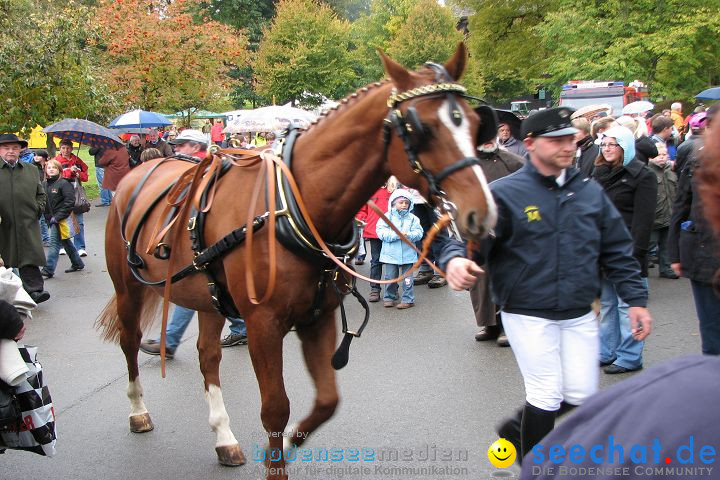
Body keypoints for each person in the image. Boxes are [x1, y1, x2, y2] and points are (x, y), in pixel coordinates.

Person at [436, 108, 652, 463]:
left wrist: (636, 300)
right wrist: (455, 260)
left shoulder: (588, 191)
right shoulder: (503, 193)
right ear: (532, 144)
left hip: (579, 310)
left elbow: (617, 248)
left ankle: (516, 428)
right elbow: (462, 236)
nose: (567, 146)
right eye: (556, 140)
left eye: (570, 138)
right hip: (527, 310)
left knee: (581, 393)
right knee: (547, 395)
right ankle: (536, 467)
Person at [139, 129, 247, 356]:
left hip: (206, 243)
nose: (176, 148)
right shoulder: (203, 170)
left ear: (195, 147)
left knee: (193, 289)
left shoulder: (199, 173)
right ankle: (239, 326)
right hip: (211, 243)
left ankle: (169, 340)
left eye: (182, 145)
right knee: (207, 289)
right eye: (177, 145)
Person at [592, 125, 657, 374]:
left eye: (613, 144)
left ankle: (629, 356)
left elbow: (644, 221)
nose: (607, 149)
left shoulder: (643, 176)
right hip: (603, 250)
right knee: (607, 304)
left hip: (628, 251)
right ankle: (607, 350)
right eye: (605, 145)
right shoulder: (600, 173)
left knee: (626, 305)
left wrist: (635, 254)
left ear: (625, 147)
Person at [668, 103, 720, 356]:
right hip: (703, 256)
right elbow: (681, 206)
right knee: (712, 334)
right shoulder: (697, 161)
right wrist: (674, 254)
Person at [471, 138, 524, 346]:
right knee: (481, 281)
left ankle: (507, 327)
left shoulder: (514, 162)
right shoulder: (467, 162)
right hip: (478, 227)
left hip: (507, 228)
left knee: (506, 278)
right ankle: (489, 324)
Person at [0, 134, 50, 304]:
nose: (11, 151)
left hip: (27, 222)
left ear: (20, 150)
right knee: (5, 260)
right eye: (6, 148)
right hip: (3, 224)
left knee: (28, 256)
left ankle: (35, 291)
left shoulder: (31, 169)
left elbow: (41, 193)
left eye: (14, 148)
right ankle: (8, 296)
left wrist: (38, 208)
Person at [376, 188, 423, 309]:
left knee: (408, 279)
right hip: (390, 255)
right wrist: (397, 235)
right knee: (390, 277)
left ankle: (408, 299)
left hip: (408, 255)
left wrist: (409, 235)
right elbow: (381, 233)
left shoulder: (413, 219)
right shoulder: (386, 217)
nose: (404, 205)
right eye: (400, 202)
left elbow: (419, 233)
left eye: (406, 203)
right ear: (393, 203)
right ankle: (389, 297)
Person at [40, 160, 85, 278]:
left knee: (54, 243)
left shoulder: (64, 183)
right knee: (65, 241)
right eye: (48, 167)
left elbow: (69, 202)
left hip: (62, 218)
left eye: (54, 167)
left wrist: (58, 216)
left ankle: (48, 269)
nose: (51, 169)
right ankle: (77, 263)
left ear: (59, 170)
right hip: (50, 218)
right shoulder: (44, 184)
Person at [355, 183, 393, 302]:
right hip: (374, 231)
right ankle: (375, 289)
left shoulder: (394, 189)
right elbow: (362, 210)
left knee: (392, 261)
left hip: (391, 232)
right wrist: (358, 219)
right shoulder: (369, 189)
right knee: (376, 261)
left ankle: (392, 289)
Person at [53, 139, 89, 257]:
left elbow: (85, 175)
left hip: (75, 194)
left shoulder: (77, 160)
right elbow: (53, 175)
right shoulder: (56, 161)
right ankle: (63, 245)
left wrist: (78, 173)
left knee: (79, 222)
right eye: (63, 148)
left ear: (72, 149)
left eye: (68, 148)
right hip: (61, 194)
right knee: (63, 220)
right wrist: (69, 171)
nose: (66, 150)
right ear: (60, 149)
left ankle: (80, 247)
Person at [647, 143, 678, 279]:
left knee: (666, 245)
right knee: (649, 243)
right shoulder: (648, 172)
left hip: (669, 213)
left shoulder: (671, 171)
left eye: (664, 155)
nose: (661, 157)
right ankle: (641, 267)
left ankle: (666, 268)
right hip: (654, 215)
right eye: (658, 155)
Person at [33, 150, 51, 245]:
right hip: (38, 194)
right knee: (40, 218)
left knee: (46, 218)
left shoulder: (49, 166)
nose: (35, 157)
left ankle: (46, 238)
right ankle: (42, 239)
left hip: (48, 194)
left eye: (38, 155)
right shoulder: (33, 167)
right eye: (35, 155)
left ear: (44, 157)